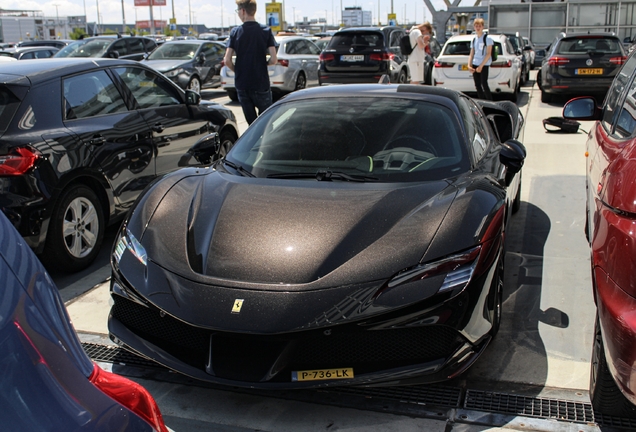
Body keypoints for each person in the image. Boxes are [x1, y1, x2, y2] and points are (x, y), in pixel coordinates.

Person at [224, 0, 278, 125]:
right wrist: (264, 64)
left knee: (252, 125)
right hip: (261, 83)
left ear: (243, 11)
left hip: (242, 84)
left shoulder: (235, 32)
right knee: (265, 123)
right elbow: (274, 59)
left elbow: (227, 60)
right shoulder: (265, 31)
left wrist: (238, 70)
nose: (238, 13)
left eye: (238, 11)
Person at [467, 18, 493, 100]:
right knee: (477, 85)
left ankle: (490, 101)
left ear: (482, 27)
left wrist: (481, 66)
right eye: (476, 26)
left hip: (484, 64)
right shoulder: (474, 39)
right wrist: (469, 65)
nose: (478, 28)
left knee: (484, 83)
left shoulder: (487, 38)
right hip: (475, 63)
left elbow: (488, 54)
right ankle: (481, 101)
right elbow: (472, 53)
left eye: (479, 26)